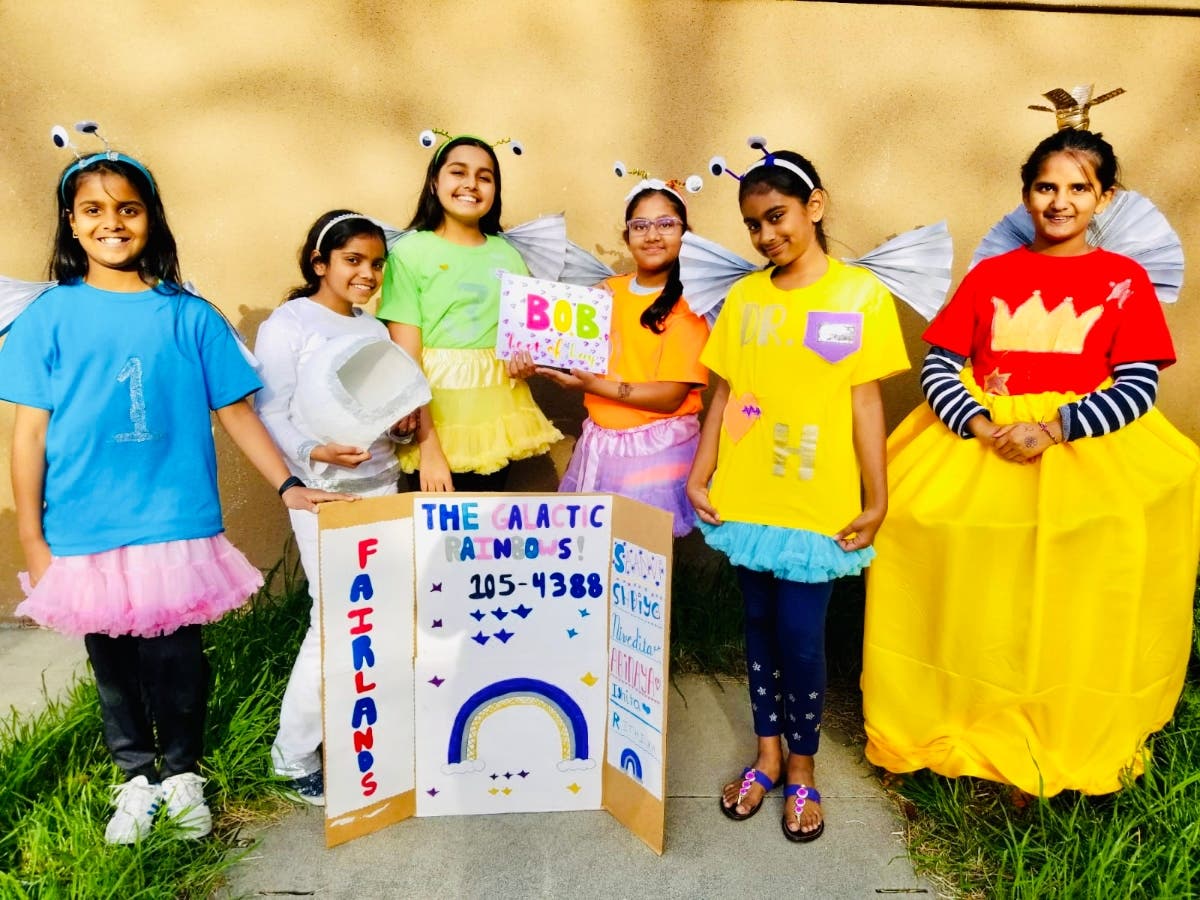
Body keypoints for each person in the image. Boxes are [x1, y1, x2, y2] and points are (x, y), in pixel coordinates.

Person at [0, 144, 348, 844]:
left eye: (127, 209)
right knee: (114, 664)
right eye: (93, 210)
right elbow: (26, 438)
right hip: (86, 524)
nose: (112, 223)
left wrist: (289, 484)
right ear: (71, 223)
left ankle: (183, 772)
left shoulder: (189, 315)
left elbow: (238, 412)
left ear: (150, 219)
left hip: (175, 522)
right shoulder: (47, 318)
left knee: (177, 660)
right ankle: (134, 777)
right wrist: (33, 540)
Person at [862, 127, 1200, 797]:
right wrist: (980, 423)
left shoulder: (1123, 281)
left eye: (1079, 188)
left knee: (1073, 586)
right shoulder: (992, 275)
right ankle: (961, 710)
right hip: (984, 441)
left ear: (1105, 197)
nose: (1061, 200)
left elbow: (1137, 385)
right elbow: (942, 361)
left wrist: (1056, 427)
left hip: (1080, 449)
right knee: (963, 569)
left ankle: (1056, 723)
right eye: (1047, 186)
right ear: (1025, 194)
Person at [686, 149, 909, 841]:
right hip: (749, 498)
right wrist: (702, 471)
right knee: (757, 630)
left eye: (776, 216)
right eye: (753, 224)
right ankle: (766, 757)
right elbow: (727, 392)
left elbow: (866, 404)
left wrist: (877, 498)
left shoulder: (857, 296)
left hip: (820, 503)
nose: (765, 235)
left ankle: (803, 771)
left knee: (802, 639)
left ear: (814, 206)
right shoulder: (747, 298)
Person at [256, 211, 416, 805]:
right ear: (320, 263)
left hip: (382, 487)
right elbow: (270, 410)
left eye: (376, 264)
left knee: (377, 620)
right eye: (353, 261)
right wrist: (310, 453)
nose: (367, 274)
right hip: (322, 493)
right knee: (337, 624)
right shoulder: (290, 324)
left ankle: (361, 737)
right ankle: (292, 752)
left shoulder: (373, 331)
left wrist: (402, 429)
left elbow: (386, 417)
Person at [378, 134, 562, 492]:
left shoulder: (508, 254)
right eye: (458, 172)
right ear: (435, 182)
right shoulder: (409, 252)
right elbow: (405, 359)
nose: (470, 184)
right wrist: (430, 449)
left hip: (498, 412)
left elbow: (519, 339)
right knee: (436, 541)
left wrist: (525, 363)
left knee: (481, 538)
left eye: (484, 176)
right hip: (436, 417)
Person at [539, 181, 708, 535]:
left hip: (658, 448)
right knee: (594, 551)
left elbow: (670, 396)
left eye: (666, 224)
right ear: (627, 235)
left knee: (643, 555)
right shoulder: (606, 292)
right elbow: (568, 350)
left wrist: (595, 386)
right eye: (640, 226)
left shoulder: (689, 305)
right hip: (601, 442)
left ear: (685, 234)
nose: (652, 235)